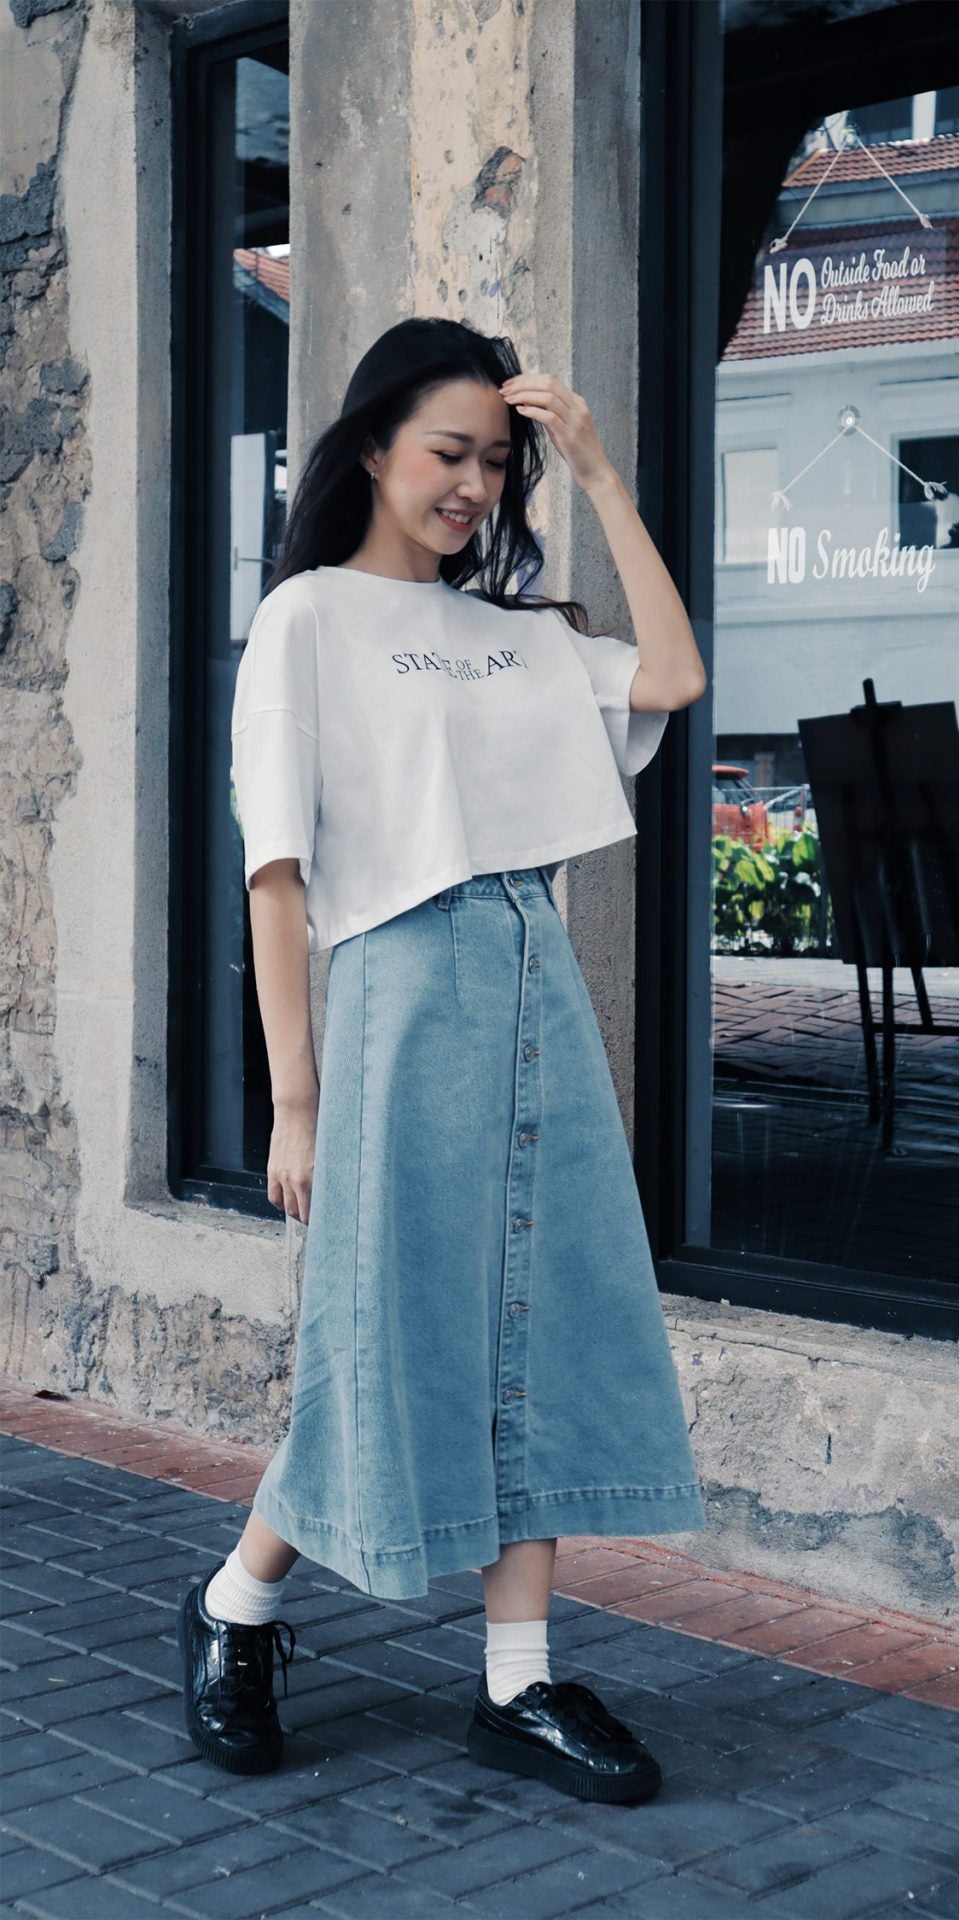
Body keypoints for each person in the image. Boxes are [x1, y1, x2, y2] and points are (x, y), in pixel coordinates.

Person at [178, 316, 709, 1804]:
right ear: (370, 448)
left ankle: (520, 1682)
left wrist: (597, 471)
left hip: (535, 978)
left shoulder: (522, 627)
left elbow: (669, 674)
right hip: (400, 989)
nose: (473, 484)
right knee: (387, 1330)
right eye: (447, 453)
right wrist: (296, 1098)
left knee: (534, 1318)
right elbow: (276, 876)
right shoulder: (309, 620)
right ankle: (237, 1606)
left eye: (496, 460)